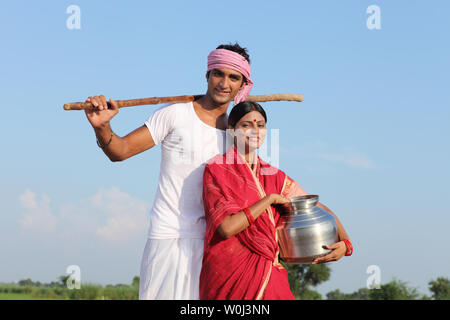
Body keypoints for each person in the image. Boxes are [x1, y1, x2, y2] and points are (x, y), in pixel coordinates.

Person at [83, 43, 254, 299]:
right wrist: (102, 127)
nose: (224, 83)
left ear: (243, 85)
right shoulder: (174, 114)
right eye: (218, 73)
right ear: (207, 75)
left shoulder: (240, 135)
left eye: (234, 77)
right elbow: (121, 151)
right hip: (169, 237)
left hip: (216, 246)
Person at [200, 101, 353, 300]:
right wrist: (268, 200)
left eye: (261, 125)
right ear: (231, 130)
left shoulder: (274, 176)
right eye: (246, 125)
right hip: (229, 274)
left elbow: (312, 206)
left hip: (268, 271)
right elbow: (226, 228)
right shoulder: (217, 170)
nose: (255, 131)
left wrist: (346, 243)